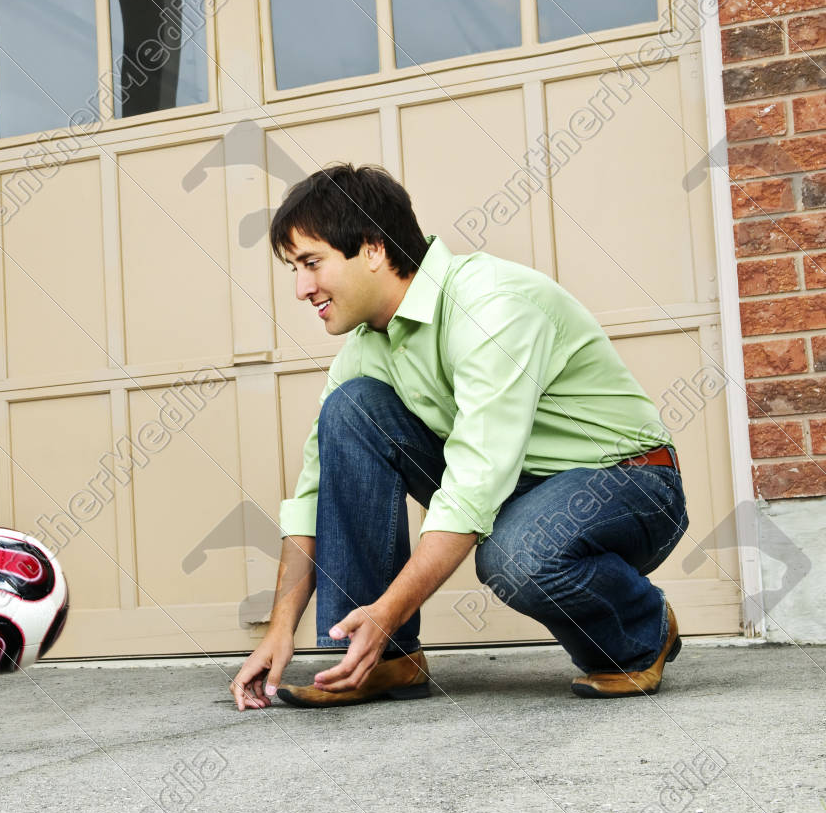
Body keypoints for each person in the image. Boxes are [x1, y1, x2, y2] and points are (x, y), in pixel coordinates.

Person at [230, 165, 688, 711]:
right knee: (352, 411)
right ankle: (380, 658)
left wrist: (390, 605)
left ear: (373, 248)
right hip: (520, 488)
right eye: (294, 269)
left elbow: (474, 482)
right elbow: (312, 495)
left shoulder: (490, 303)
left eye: (311, 263)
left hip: (629, 482)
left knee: (516, 556)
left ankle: (640, 633)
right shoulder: (365, 350)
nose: (302, 288)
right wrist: (279, 629)